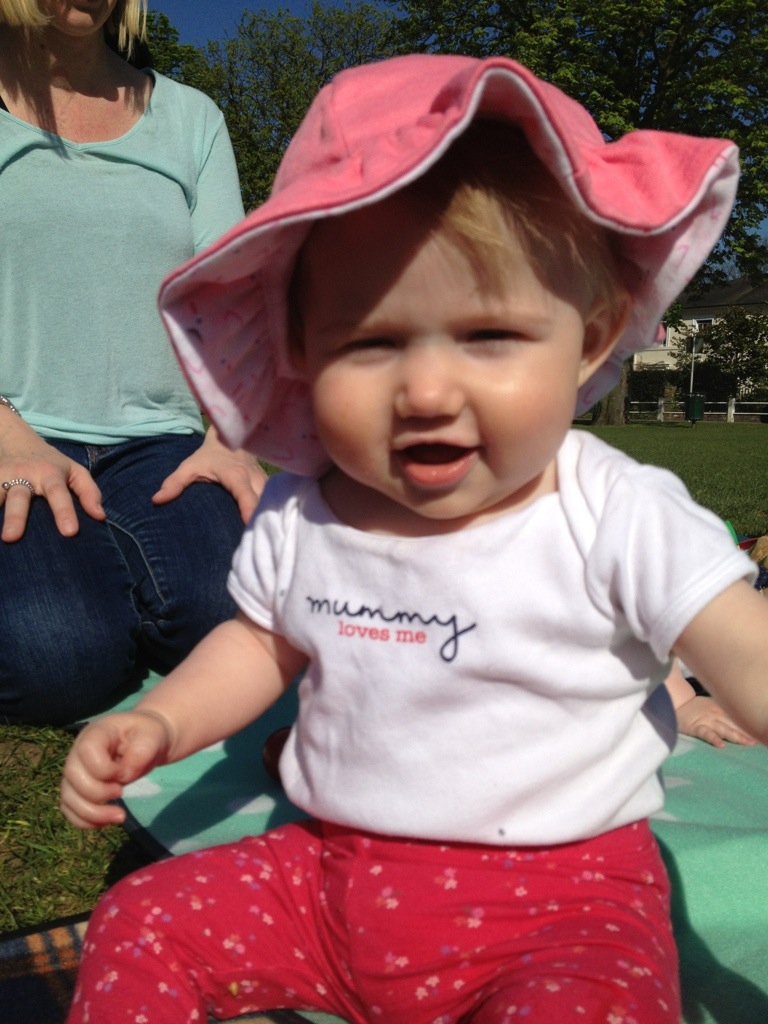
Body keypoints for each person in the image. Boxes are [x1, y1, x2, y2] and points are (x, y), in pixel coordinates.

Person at [61, 54, 768, 1024]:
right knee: (140, 919)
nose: (428, 391)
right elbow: (260, 642)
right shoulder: (305, 509)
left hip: (565, 914)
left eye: (489, 337)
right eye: (373, 342)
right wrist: (164, 722)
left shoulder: (615, 511)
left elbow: (742, 644)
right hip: (329, 881)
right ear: (302, 351)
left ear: (592, 334)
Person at [0, 0, 266, 726]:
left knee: (236, 619)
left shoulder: (191, 117)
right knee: (60, 661)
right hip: (15, 437)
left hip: (163, 443)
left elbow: (229, 294)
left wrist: (227, 435)